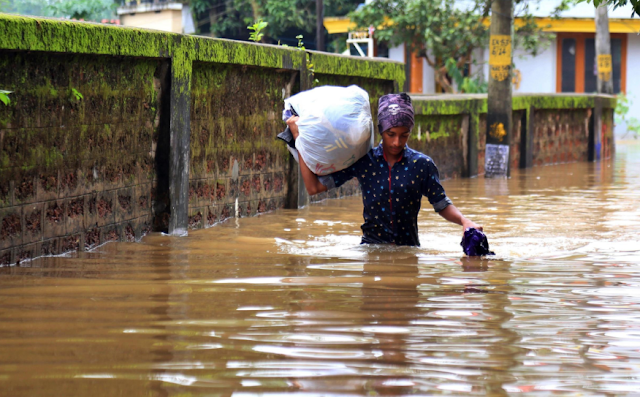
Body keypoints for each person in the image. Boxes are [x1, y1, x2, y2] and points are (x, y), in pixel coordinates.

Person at [286, 92, 482, 247]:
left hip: (409, 252)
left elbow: (441, 205)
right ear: (380, 130)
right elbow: (313, 188)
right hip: (371, 250)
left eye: (404, 135)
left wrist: (465, 222)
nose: (397, 142)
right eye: (391, 134)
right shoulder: (364, 161)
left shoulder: (422, 165)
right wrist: (299, 138)